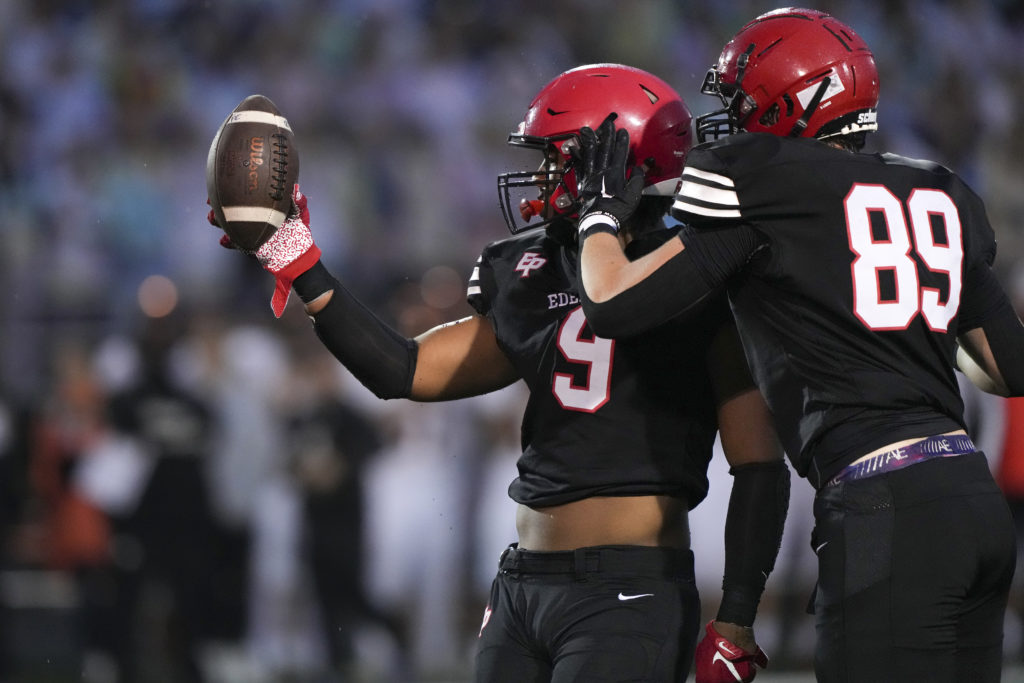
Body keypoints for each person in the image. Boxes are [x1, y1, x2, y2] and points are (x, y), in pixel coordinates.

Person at [209, 63, 787, 682]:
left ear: (617, 163)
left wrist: (737, 617)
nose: (540, 176)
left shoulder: (693, 272)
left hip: (628, 586)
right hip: (522, 583)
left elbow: (757, 465)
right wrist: (300, 265)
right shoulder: (530, 268)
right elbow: (406, 370)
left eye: (556, 157)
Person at [574, 8, 1023, 683]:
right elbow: (1007, 366)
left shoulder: (766, 185)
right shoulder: (936, 189)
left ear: (797, 100)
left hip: (883, 505)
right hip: (971, 499)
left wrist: (599, 214)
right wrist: (909, 322)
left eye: (744, 102)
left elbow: (612, 301)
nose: (733, 119)